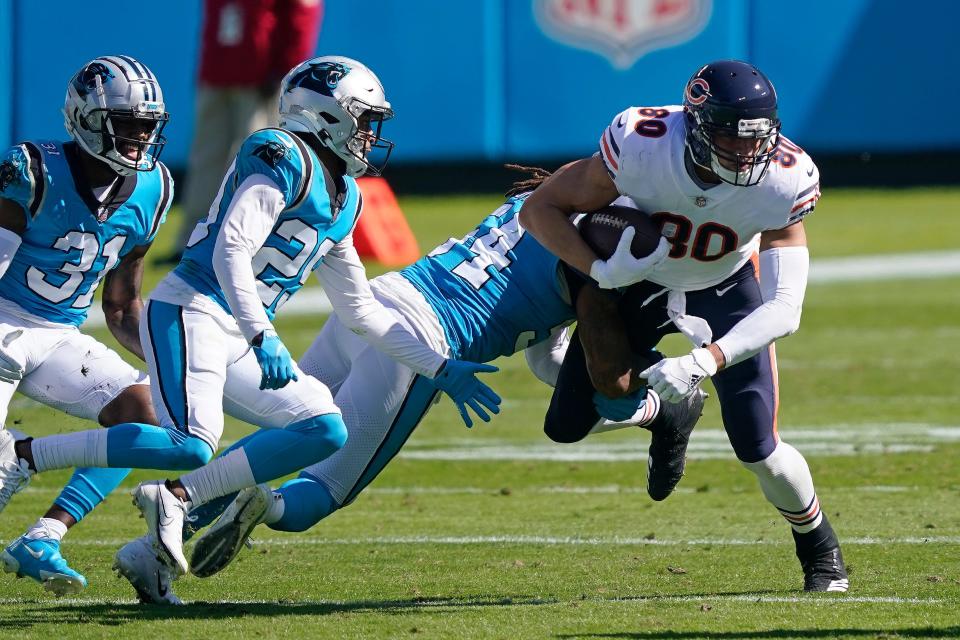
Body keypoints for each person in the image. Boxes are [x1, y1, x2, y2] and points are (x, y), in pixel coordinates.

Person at [0, 55, 499, 603]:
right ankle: (23, 458)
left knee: (321, 429)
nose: (370, 134)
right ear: (326, 115)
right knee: (188, 441)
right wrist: (262, 335)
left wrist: (439, 366)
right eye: (363, 119)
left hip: (192, 331)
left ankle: (145, 506)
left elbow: (359, 308)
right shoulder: (277, 154)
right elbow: (232, 250)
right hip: (173, 310)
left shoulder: (343, 197)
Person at [114, 171, 705, 602]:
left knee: (294, 435)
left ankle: (152, 546)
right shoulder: (601, 251)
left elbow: (544, 347)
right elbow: (559, 368)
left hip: (378, 300)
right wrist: (641, 399)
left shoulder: (537, 204)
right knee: (324, 490)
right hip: (421, 344)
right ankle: (265, 505)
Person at [516, 60, 847, 592]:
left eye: (756, 140)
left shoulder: (786, 179)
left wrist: (704, 360)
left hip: (726, 284)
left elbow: (786, 308)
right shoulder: (642, 142)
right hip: (639, 280)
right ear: (693, 126)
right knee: (567, 424)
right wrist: (599, 270)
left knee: (758, 447)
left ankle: (820, 548)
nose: (746, 153)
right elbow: (541, 209)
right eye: (729, 138)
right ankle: (668, 412)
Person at [0, 56, 173, 596]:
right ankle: (10, 453)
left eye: (148, 126)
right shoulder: (32, 170)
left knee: (149, 415)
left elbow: (122, 306)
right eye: (127, 123)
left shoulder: (154, 188)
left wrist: (177, 364)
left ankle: (45, 534)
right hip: (3, 317)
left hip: (59, 335)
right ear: (87, 119)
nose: (139, 138)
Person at [164, 0, 324, 260]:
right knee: (205, 158)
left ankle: (246, 242)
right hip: (217, 71)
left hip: (258, 76)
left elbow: (303, 14)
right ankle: (192, 241)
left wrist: (285, 69)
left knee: (256, 163)